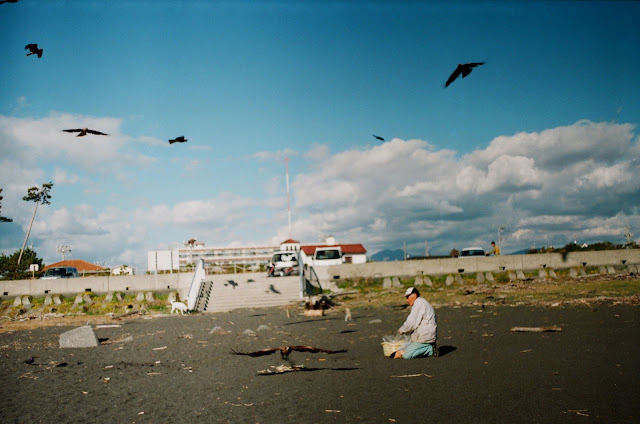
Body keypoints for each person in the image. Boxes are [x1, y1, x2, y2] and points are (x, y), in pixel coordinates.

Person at [391, 287, 438, 359]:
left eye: (408, 297)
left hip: (425, 337)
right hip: (422, 336)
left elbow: (411, 323)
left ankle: (430, 349)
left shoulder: (419, 304)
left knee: (407, 355)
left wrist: (402, 330)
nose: (407, 300)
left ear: (414, 295)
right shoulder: (420, 302)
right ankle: (425, 347)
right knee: (404, 348)